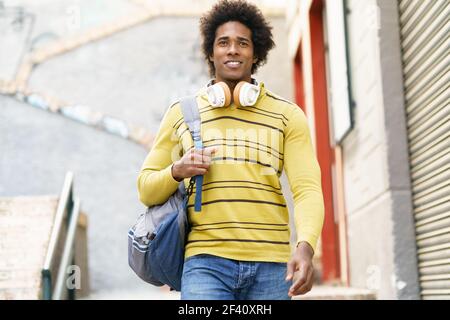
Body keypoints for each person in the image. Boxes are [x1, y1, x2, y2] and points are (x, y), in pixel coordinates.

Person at [137, 0, 324, 300]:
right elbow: (146, 189)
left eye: (243, 43)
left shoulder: (288, 115)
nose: (233, 50)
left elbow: (307, 190)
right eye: (223, 42)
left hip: (272, 265)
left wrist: (305, 247)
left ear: (256, 52)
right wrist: (177, 170)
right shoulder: (182, 113)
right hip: (205, 264)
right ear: (211, 52)